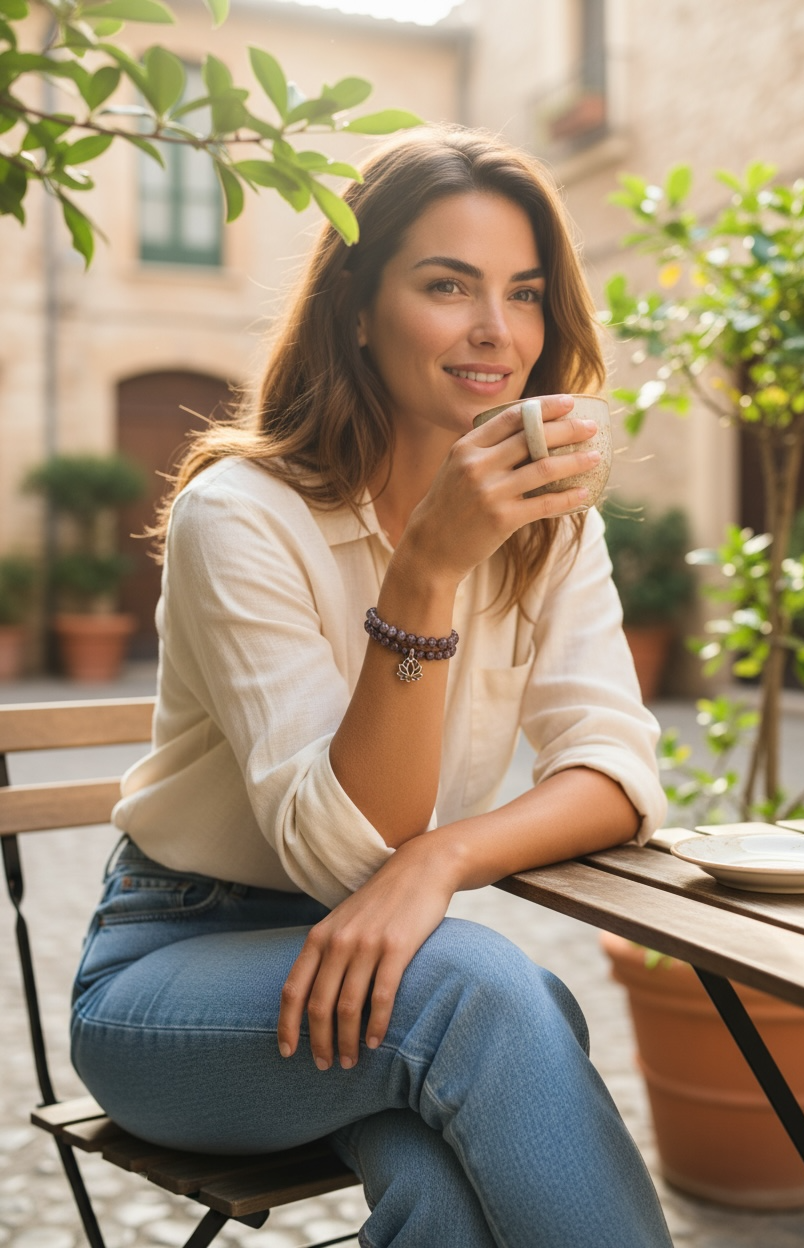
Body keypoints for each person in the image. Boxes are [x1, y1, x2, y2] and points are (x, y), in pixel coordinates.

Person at [70, 126, 673, 1247]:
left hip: (390, 977)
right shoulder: (241, 515)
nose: (497, 330)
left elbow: (617, 768)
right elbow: (345, 852)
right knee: (488, 993)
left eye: (525, 293)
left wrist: (445, 858)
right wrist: (429, 570)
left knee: (449, 1187)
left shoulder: (550, 522)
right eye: (449, 286)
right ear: (354, 305)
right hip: (177, 974)